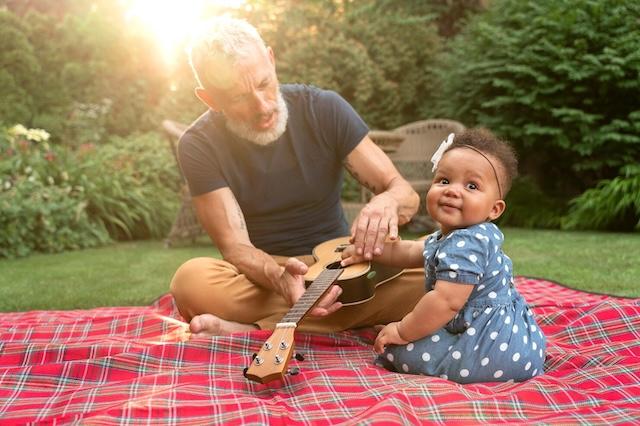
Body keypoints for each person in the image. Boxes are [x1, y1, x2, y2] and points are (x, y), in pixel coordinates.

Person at [169, 17, 424, 337]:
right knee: (191, 281)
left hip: (345, 267)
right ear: (210, 99)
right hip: (268, 277)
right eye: (238, 98)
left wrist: (387, 201)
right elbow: (235, 248)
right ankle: (340, 317)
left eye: (264, 84)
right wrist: (279, 279)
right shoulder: (198, 144)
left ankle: (253, 328)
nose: (262, 107)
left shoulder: (324, 108)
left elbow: (405, 194)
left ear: (271, 60)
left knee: (449, 263)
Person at [341, 128, 547, 383]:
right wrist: (369, 251)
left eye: (471, 186)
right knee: (419, 326)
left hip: (491, 346)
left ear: (495, 208)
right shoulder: (455, 236)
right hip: (509, 339)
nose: (452, 191)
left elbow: (446, 302)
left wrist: (403, 331)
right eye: (444, 180)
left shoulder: (468, 243)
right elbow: (410, 250)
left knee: (399, 352)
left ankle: (455, 360)